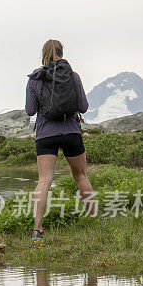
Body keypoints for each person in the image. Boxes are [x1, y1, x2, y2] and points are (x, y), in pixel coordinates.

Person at [25, 39, 94, 240]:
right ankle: (94, 220)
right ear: (62, 53)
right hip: (71, 132)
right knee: (81, 176)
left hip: (46, 135)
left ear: (43, 54)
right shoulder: (73, 76)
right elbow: (83, 107)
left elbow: (30, 110)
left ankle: (38, 229)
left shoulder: (35, 79)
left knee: (44, 180)